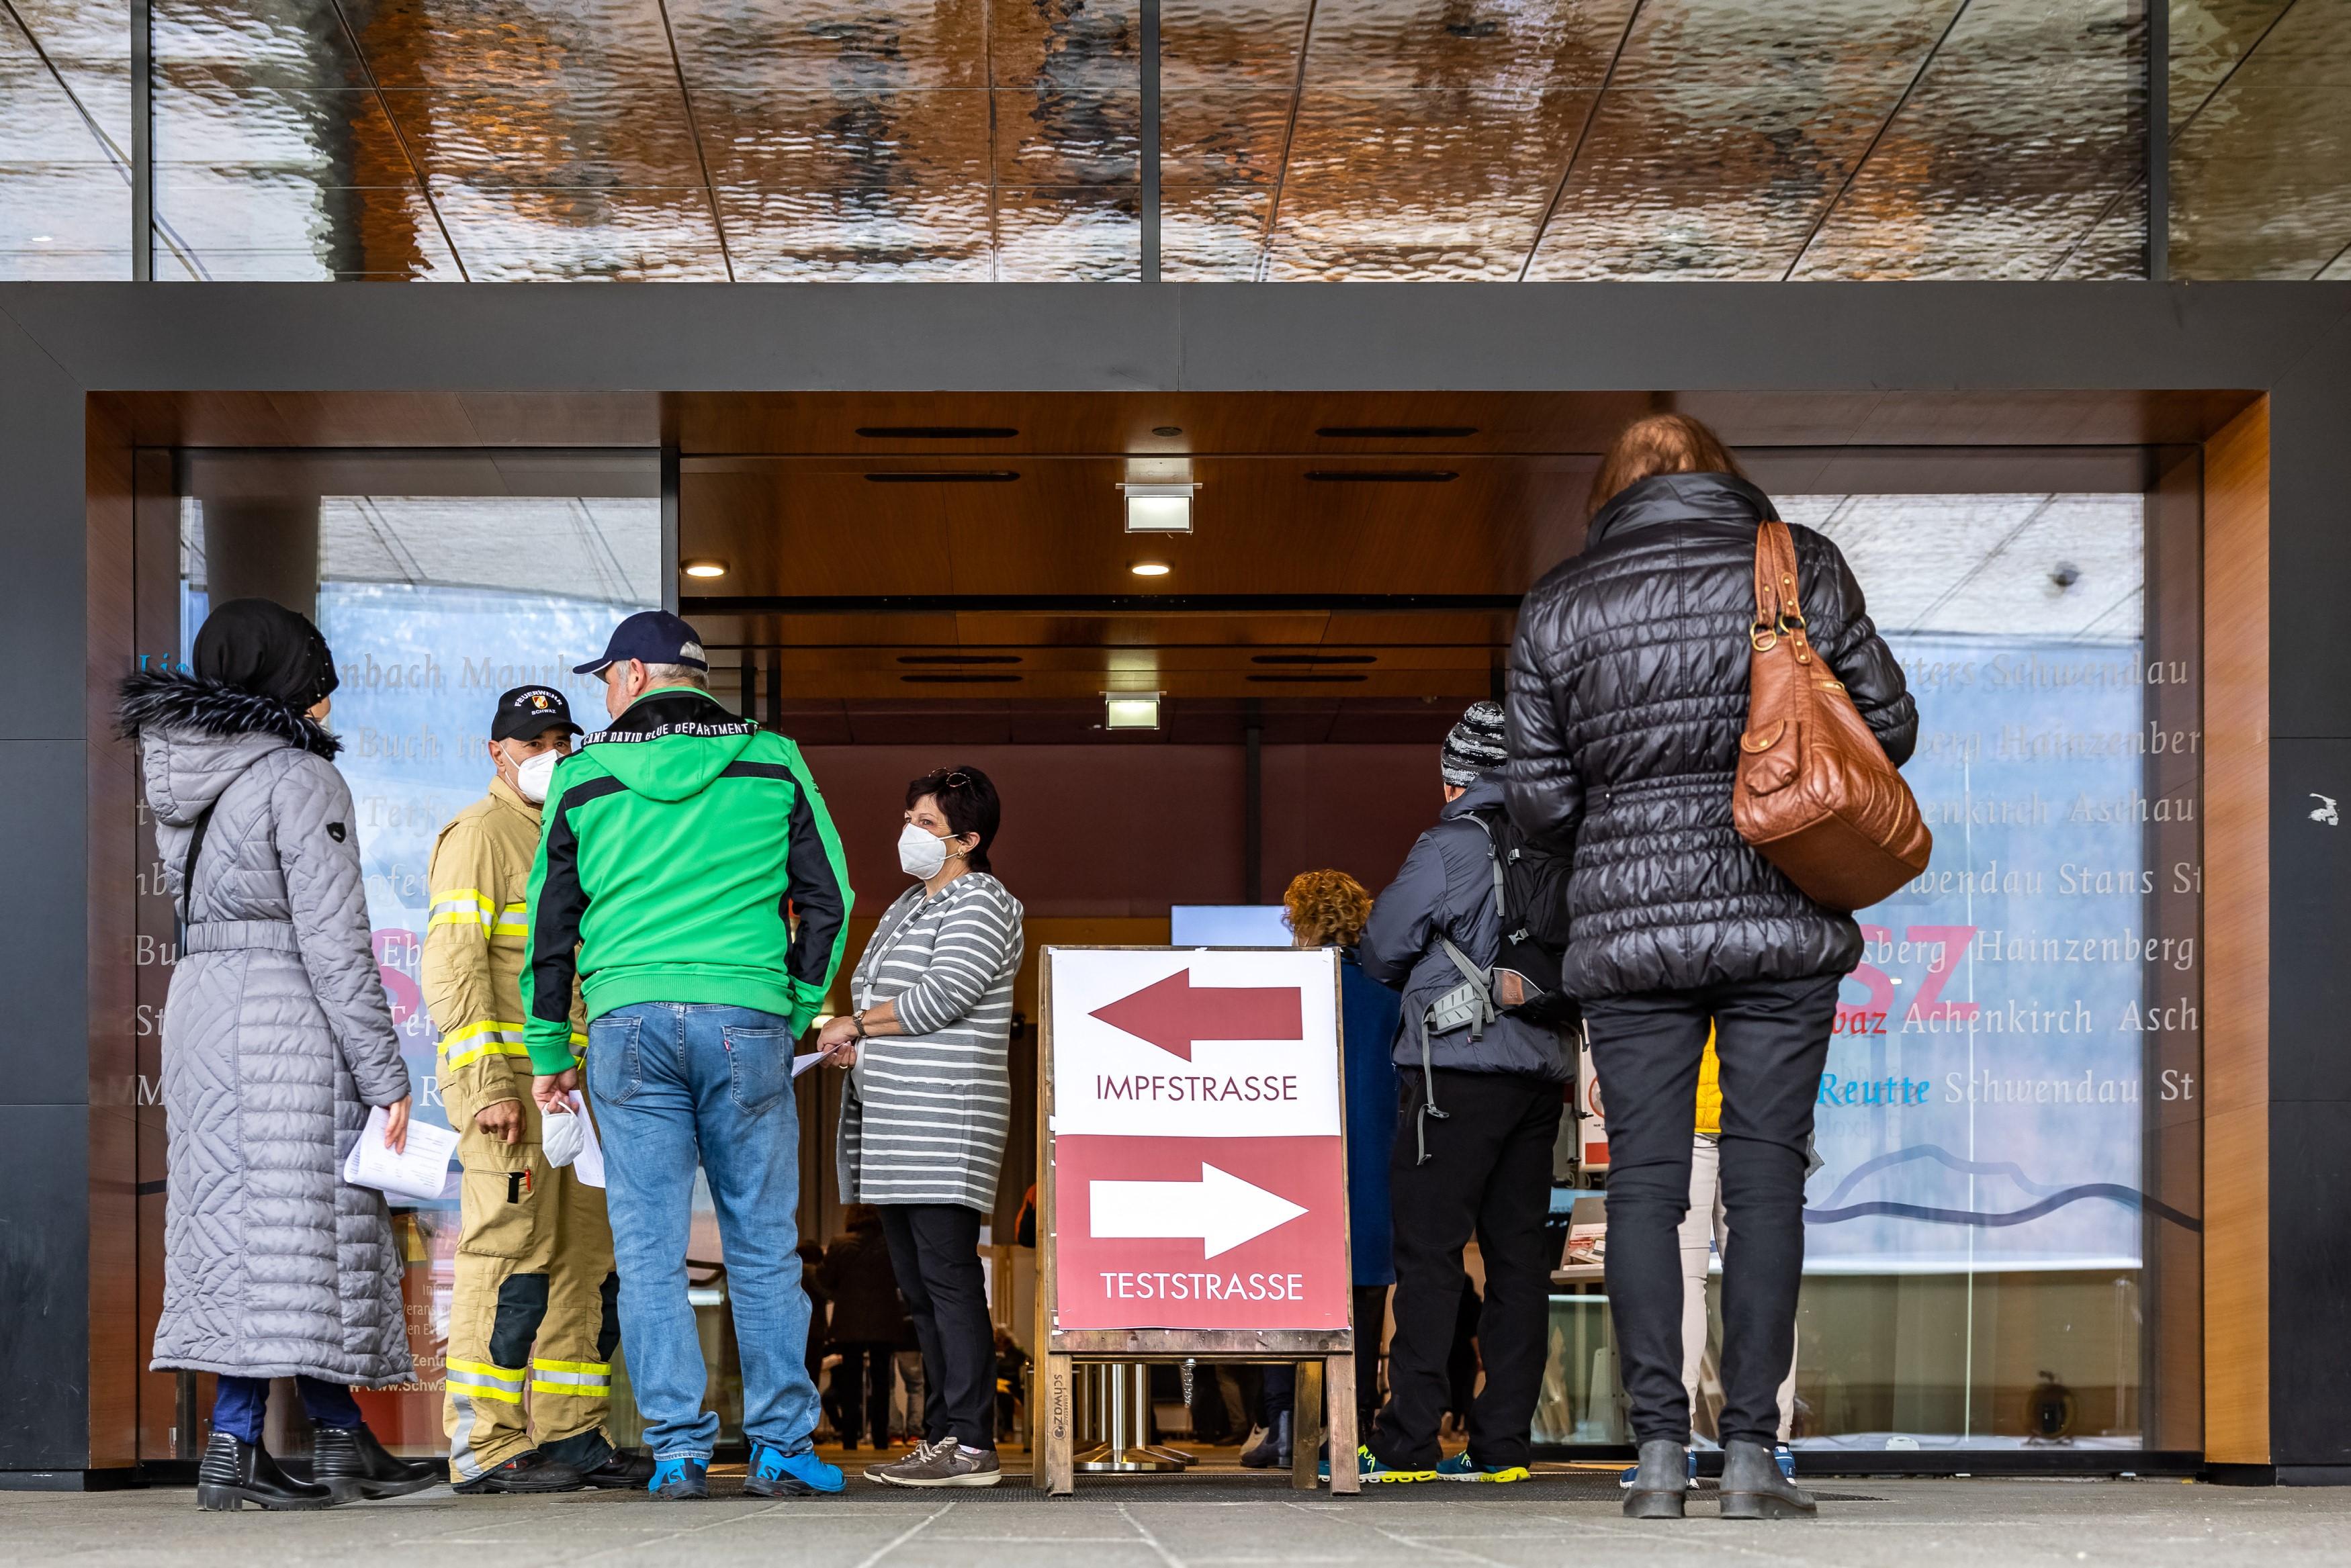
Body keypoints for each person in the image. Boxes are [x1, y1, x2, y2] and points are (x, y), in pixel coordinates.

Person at [1504, 413, 1916, 1520]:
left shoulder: (1561, 603)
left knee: (1645, 1180)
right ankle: (1748, 1456)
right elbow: (1890, 725)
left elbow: (1538, 803)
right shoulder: (1796, 563)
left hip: (1630, 934)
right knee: (1763, 1173)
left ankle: (1651, 1458)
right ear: (1723, 476)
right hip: (1780, 913)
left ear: (1614, 491)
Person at [519, 610, 854, 1502]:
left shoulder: (583, 775)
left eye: (604, 679)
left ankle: (677, 1449)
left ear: (633, 674)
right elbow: (833, 895)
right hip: (746, 1016)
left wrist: (550, 1044)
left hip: (627, 1024)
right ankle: (782, 1442)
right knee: (762, 1241)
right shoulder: (772, 759)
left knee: (649, 1244)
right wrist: (795, 1007)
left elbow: (549, 925)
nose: (602, 694)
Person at [120, 598, 441, 1511]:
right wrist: (387, 1076)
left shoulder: (189, 771)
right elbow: (336, 938)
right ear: (290, 683)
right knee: (288, 1230)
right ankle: (234, 1446)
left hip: (206, 1005)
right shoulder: (299, 779)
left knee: (248, 1225)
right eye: (319, 682)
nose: (329, 702)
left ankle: (340, 1437)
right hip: (285, 1016)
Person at [422, 684, 651, 1494]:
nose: (550, 752)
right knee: (508, 1259)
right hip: (509, 1091)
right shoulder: (482, 834)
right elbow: (451, 965)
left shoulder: (572, 834)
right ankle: (486, 1442)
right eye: (533, 740)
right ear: (497, 751)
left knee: (584, 1261)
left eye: (561, 736)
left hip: (573, 1093)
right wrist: (486, 1081)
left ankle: (569, 1434)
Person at [1349, 703, 1572, 1484]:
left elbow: (1381, 945)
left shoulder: (1450, 843)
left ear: (1455, 776)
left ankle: (1407, 1441)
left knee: (1431, 1255)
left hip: (1453, 1072)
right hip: (1539, 1074)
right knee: (1517, 1262)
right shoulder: (1562, 842)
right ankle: (1501, 1445)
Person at [820, 766, 1026, 1488]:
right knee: (918, 1289)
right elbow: (883, 996)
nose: (911, 832)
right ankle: (942, 1433)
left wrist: (858, 1023)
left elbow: (943, 995)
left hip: (944, 1121)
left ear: (967, 840)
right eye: (908, 816)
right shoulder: (910, 905)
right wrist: (857, 1041)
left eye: (928, 824)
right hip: (896, 1125)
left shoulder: (983, 900)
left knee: (947, 1279)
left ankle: (970, 1441)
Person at [1244, 870, 1400, 1471]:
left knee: (1286, 1301)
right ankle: (1348, 1431)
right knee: (1360, 1302)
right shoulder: (1389, 1000)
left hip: (1289, 1174)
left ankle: (1285, 1425)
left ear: (1298, 922)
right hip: (1370, 1171)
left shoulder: (1280, 992)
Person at [818, 1206, 906, 1451]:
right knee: (881, 1383)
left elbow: (823, 1279)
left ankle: (849, 1439)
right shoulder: (891, 1244)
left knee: (850, 1383)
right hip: (885, 1321)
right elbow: (904, 1279)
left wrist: (840, 1295)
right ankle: (880, 1438)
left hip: (849, 1322)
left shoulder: (839, 1243)